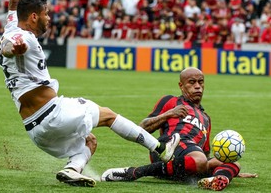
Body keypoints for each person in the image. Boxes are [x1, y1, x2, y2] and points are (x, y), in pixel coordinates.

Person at [0, 0, 180, 188]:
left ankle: (72, 169)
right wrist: (12, 50)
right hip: (53, 114)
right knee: (108, 116)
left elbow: (11, 14)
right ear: (34, 17)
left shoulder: (11, 26)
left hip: (35, 130)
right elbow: (11, 46)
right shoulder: (21, 37)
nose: (48, 17)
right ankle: (161, 149)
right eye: (46, 13)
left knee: (90, 141)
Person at [101, 67, 258, 191]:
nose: (197, 86)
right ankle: (136, 172)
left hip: (187, 162)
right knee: (200, 159)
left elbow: (205, 154)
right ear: (181, 85)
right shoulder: (171, 101)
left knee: (233, 163)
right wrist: (168, 114)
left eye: (201, 82)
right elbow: (141, 128)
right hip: (168, 148)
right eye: (192, 82)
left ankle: (217, 179)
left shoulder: (206, 118)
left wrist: (222, 169)